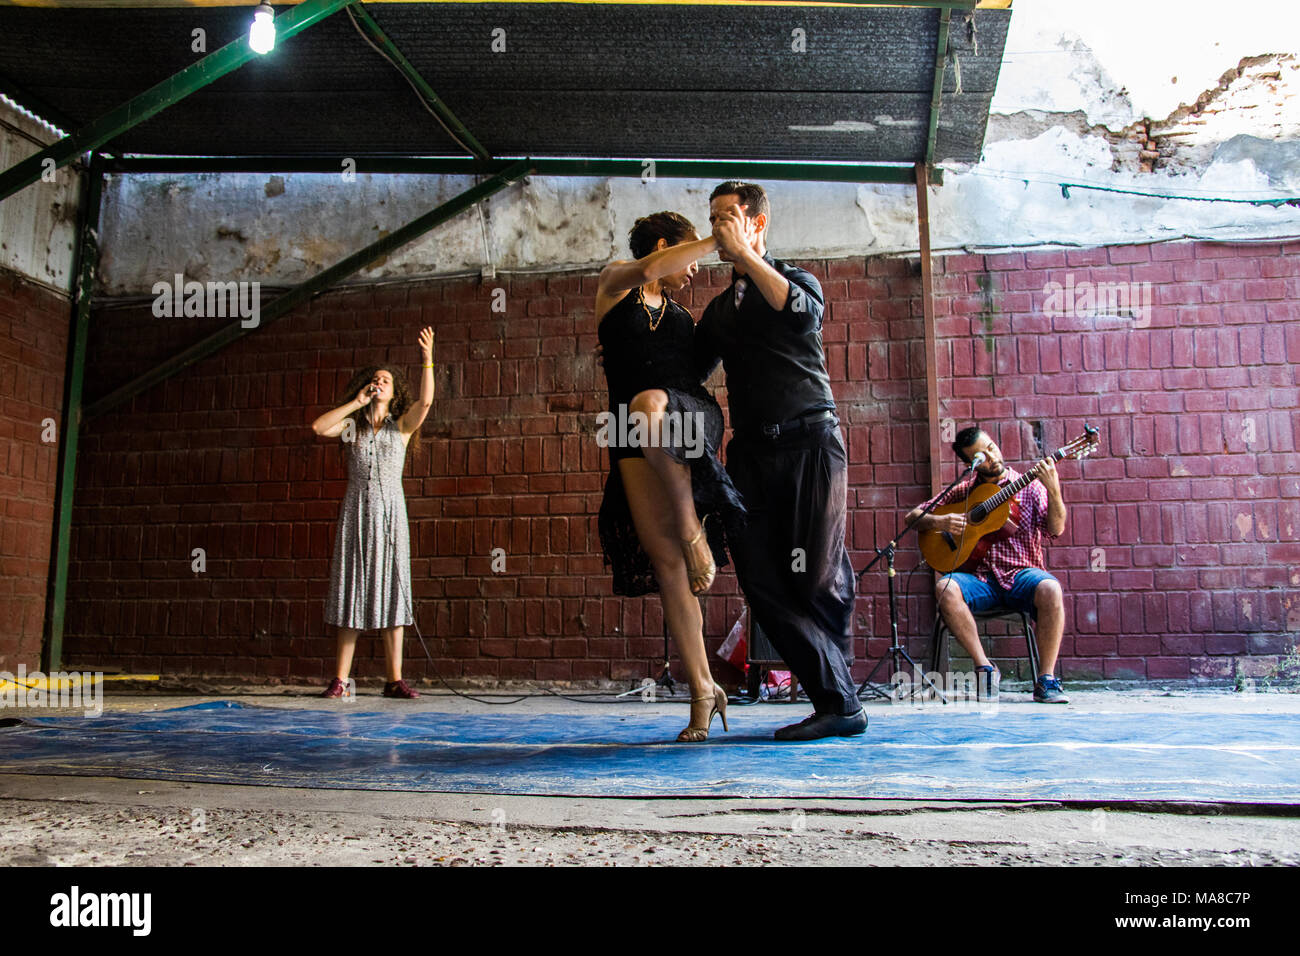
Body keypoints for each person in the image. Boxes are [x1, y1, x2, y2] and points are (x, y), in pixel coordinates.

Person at [694, 182, 866, 741]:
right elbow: (688, 366)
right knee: (763, 582)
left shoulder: (797, 282)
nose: (717, 228)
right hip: (750, 456)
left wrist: (746, 257)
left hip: (810, 444)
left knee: (816, 580)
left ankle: (836, 703)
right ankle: (839, 704)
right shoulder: (721, 310)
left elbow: (801, 317)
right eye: (713, 218)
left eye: (727, 218)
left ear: (757, 224)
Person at [596, 211, 746, 742]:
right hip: (630, 431)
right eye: (691, 257)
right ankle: (704, 688)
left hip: (685, 415)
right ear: (665, 248)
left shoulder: (685, 319)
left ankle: (692, 530)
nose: (695, 270)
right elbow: (648, 270)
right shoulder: (616, 285)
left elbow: (717, 360)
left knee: (650, 402)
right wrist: (715, 239)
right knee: (667, 567)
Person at [310, 327, 435, 699]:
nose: (380, 382)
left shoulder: (401, 428)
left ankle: (394, 680)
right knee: (352, 590)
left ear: (396, 393)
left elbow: (426, 404)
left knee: (394, 593)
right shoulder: (351, 427)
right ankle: (340, 679)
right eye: (375, 380)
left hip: (391, 514)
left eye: (387, 381)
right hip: (356, 513)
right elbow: (319, 427)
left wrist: (428, 359)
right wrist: (356, 401)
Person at [904, 426, 1070, 703]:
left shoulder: (1030, 487)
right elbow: (913, 517)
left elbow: (1056, 529)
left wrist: (1054, 490)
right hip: (980, 580)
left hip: (1021, 576)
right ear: (971, 464)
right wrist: (940, 521)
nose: (992, 457)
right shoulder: (965, 492)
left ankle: (1046, 681)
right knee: (945, 586)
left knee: (1051, 588)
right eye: (981, 456)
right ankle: (984, 668)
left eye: (991, 447)